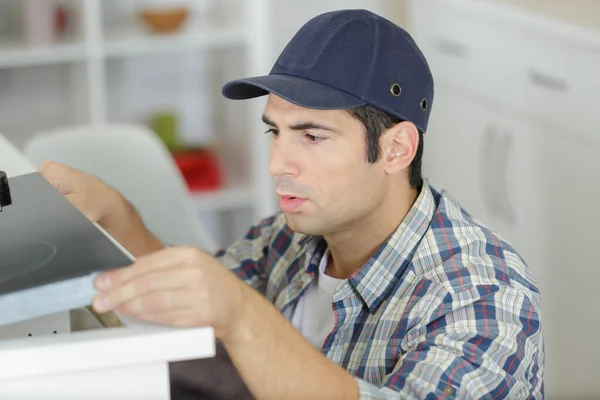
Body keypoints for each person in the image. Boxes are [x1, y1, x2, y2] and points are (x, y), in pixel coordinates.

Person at [39, 9, 544, 399]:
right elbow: (200, 304)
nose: (278, 164)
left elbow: (230, 312)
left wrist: (243, 317)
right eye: (274, 132)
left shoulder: (484, 296)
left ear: (396, 148)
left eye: (312, 137)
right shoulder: (292, 236)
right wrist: (117, 215)